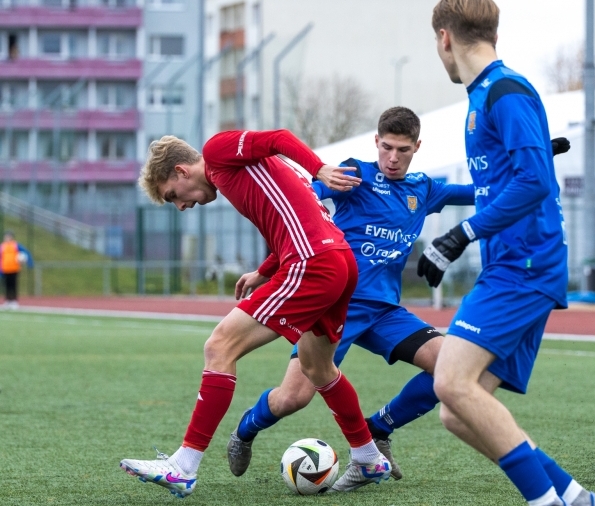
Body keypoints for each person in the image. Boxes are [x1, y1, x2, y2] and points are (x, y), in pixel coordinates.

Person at [226, 106, 573, 491]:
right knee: (293, 397)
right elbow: (304, 206)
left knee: (451, 370)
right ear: (376, 142)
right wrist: (267, 268)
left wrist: (534, 159)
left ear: (417, 147)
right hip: (337, 304)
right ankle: (245, 430)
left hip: (386, 311)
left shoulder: (423, 189)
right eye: (387, 147)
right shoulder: (354, 173)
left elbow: (482, 193)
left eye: (402, 150)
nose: (392, 158)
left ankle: (378, 428)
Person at [120, 129, 392, 498]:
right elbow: (290, 215)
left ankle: (183, 465)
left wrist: (319, 168)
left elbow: (278, 136)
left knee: (219, 346)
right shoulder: (235, 174)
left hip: (312, 263)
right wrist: (264, 271)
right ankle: (368, 456)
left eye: (173, 197)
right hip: (338, 260)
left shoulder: (216, 152)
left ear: (181, 172)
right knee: (318, 368)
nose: (181, 206)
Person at [416, 2, 595, 505]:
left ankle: (545, 502)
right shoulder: (486, 95)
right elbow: (519, 170)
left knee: (452, 382)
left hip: (523, 267)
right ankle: (575, 498)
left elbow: (533, 181)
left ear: (444, 38)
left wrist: (460, 234)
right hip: (517, 266)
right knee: (458, 408)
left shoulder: (502, 91)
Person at [1, 231, 32, 309]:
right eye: (6, 236)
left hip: (14, 269)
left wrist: (29, 262)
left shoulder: (15, 245)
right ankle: (7, 301)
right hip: (5, 269)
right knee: (6, 286)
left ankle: (14, 301)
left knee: (14, 285)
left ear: (11, 237)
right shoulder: (2, 246)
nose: (7, 238)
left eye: (8, 236)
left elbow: (25, 252)